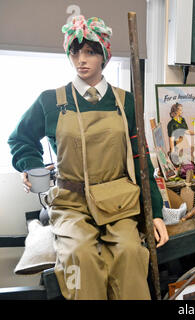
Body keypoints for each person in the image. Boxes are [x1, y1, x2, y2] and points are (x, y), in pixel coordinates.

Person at [8, 15, 168, 300]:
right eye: (75, 52)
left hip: (120, 203)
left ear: (104, 56)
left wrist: (155, 212)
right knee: (80, 257)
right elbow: (20, 139)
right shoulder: (51, 102)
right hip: (72, 205)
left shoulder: (126, 102)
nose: (81, 59)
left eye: (90, 52)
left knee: (130, 254)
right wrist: (33, 169)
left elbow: (141, 157)